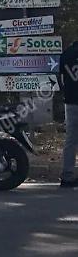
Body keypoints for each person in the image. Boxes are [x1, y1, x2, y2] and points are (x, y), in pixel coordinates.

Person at [59, 37, 78, 188]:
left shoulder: (66, 54)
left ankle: (67, 176)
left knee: (71, 140)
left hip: (71, 102)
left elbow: (62, 79)